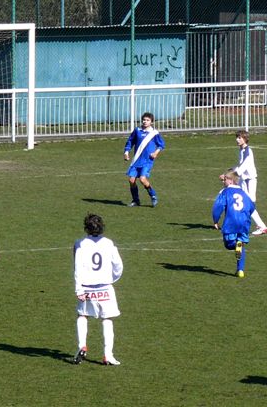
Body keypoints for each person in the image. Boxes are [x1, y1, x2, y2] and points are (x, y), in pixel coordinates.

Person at [72, 213, 123, 366]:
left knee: (82, 316)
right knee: (107, 319)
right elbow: (119, 266)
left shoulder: (79, 244)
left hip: (86, 288)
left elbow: (77, 268)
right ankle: (108, 355)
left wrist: (78, 289)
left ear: (86, 228)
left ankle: (82, 346)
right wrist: (111, 279)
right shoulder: (109, 243)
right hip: (105, 287)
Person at [221, 130, 267, 236]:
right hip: (244, 180)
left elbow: (243, 167)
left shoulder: (247, 151)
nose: (237, 139)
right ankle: (259, 225)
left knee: (249, 204)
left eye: (239, 138)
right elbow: (240, 165)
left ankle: (261, 226)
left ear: (245, 139)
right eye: (237, 137)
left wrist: (229, 175)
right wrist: (229, 172)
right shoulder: (241, 150)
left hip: (249, 180)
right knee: (247, 204)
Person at [212, 170, 255, 278]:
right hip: (244, 222)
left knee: (229, 244)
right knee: (240, 244)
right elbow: (252, 207)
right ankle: (240, 270)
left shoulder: (225, 192)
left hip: (231, 222)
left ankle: (236, 245)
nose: (223, 181)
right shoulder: (244, 193)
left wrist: (216, 220)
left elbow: (218, 206)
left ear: (231, 181)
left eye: (225, 179)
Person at [123, 111, 165, 207]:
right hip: (136, 160)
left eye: (147, 120)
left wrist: (155, 153)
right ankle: (136, 200)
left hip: (147, 160)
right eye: (144, 120)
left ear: (151, 122)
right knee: (131, 180)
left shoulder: (154, 133)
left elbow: (161, 145)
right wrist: (126, 152)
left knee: (142, 179)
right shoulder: (137, 130)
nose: (145, 122)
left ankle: (153, 195)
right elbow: (130, 141)